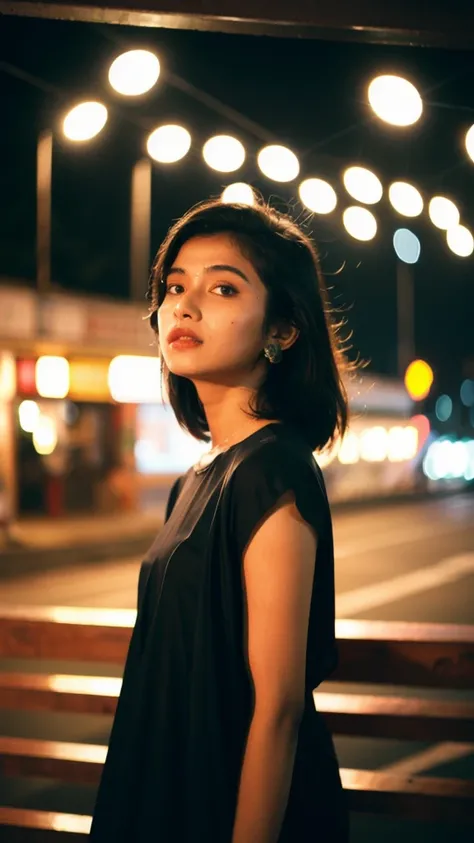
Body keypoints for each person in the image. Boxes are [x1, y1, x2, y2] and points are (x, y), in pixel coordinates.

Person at [90, 197, 351, 842]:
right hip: (170, 781)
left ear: (282, 329)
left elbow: (279, 708)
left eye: (223, 287)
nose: (184, 305)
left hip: (229, 801)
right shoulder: (199, 477)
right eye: (174, 287)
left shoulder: (272, 469)